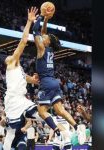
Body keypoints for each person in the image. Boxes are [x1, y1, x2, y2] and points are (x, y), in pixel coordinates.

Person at [32, 10, 78, 142]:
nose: (43, 37)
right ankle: (77, 126)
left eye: (45, 38)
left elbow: (35, 30)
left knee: (41, 111)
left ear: (47, 42)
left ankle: (56, 130)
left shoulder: (41, 48)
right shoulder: (50, 49)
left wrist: (41, 15)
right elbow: (44, 32)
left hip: (46, 83)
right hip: (54, 82)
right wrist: (46, 20)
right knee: (60, 110)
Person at [3, 7, 42, 150]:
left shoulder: (19, 70)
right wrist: (29, 21)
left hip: (20, 99)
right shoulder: (12, 62)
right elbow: (24, 41)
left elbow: (28, 79)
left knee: (16, 132)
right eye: (7, 57)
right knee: (12, 134)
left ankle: (59, 129)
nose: (9, 57)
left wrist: (34, 79)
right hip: (13, 100)